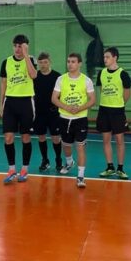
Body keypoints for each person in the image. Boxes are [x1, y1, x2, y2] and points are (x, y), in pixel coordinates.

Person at [52, 53, 96, 188]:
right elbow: (54, 98)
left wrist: (79, 108)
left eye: (73, 62)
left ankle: (81, 176)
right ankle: (69, 162)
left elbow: (92, 100)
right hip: (64, 119)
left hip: (80, 119)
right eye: (68, 61)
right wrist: (66, 107)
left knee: (80, 146)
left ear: (79, 64)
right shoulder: (61, 79)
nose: (70, 64)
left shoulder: (86, 80)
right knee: (66, 145)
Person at [0, 35, 37, 184]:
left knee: (25, 137)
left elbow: (33, 75)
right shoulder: (6, 62)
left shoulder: (31, 60)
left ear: (26, 46)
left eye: (20, 46)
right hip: (10, 102)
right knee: (8, 137)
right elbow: (3, 84)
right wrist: (1, 103)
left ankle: (25, 169)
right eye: (15, 45)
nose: (17, 49)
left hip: (26, 102)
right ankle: (11, 169)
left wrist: (26, 55)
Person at [96, 47, 131, 179]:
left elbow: (126, 94)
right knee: (106, 139)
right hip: (104, 110)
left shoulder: (123, 74)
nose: (105, 59)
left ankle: (120, 168)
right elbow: (101, 89)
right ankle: (110, 167)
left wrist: (119, 103)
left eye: (107, 57)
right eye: (104, 57)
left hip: (118, 111)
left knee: (119, 140)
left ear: (115, 58)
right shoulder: (101, 73)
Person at [33, 52, 62, 172]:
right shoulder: (34, 76)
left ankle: (58, 160)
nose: (43, 65)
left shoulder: (57, 76)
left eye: (45, 62)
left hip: (53, 113)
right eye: (40, 62)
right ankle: (45, 160)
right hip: (39, 113)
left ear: (49, 62)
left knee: (56, 137)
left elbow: (61, 94)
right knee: (41, 137)